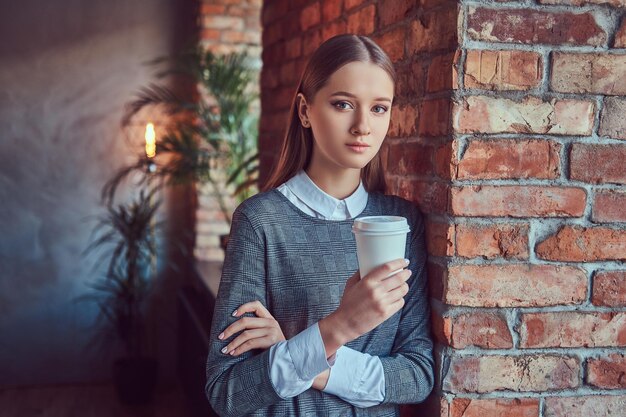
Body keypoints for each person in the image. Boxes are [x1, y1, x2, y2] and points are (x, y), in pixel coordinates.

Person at [205, 34, 434, 417]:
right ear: (305, 111)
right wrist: (338, 327)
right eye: (343, 104)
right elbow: (227, 391)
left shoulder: (402, 222)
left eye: (379, 108)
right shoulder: (260, 221)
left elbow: (417, 375)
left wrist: (299, 352)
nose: (363, 126)